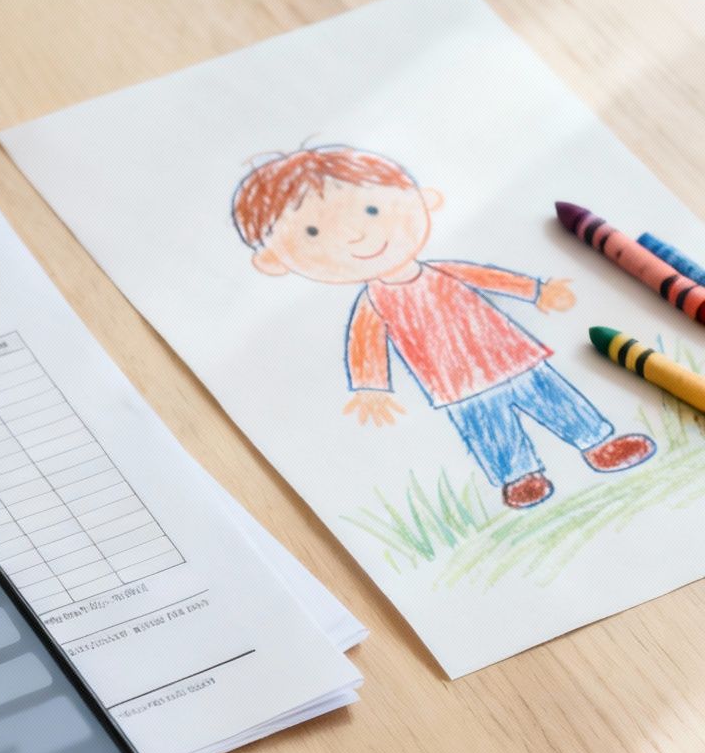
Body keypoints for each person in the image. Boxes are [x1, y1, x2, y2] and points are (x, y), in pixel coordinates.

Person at [233, 145, 654, 510]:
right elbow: (366, 344)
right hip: (457, 386)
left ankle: (598, 443)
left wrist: (536, 291)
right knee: (490, 431)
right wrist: (371, 388)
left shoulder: (444, 271)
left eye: (372, 209)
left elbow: (486, 278)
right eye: (312, 232)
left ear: (424, 200)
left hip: (511, 356)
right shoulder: (372, 303)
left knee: (554, 399)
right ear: (274, 260)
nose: (356, 235)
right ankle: (520, 477)